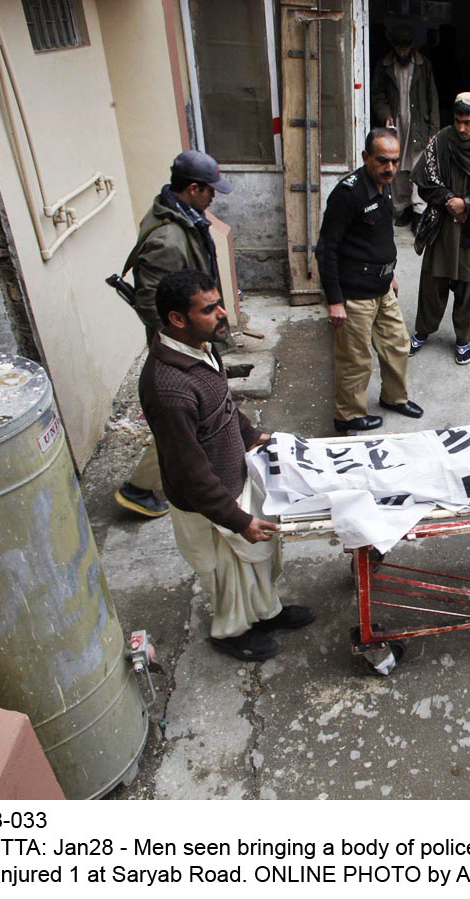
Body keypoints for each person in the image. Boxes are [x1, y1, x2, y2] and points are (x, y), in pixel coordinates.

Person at [139, 270, 315, 662]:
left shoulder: (201, 348)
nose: (222, 314)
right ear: (177, 320)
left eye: (220, 303)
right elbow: (187, 470)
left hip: (232, 477)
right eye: (209, 309)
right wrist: (236, 519)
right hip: (206, 502)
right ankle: (230, 632)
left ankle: (267, 614)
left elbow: (223, 404)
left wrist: (251, 436)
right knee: (226, 573)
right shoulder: (169, 389)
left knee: (259, 558)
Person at [115, 150, 234, 520]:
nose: (214, 197)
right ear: (193, 188)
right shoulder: (168, 237)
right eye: (210, 190)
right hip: (183, 346)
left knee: (193, 419)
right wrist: (187, 346)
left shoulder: (183, 216)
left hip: (192, 339)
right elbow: (154, 304)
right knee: (186, 424)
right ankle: (140, 487)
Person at [316, 128, 423, 433]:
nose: (390, 167)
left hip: (382, 286)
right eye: (382, 161)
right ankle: (347, 416)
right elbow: (327, 249)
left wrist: (389, 276)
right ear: (365, 158)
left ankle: (394, 398)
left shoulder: (385, 185)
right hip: (354, 294)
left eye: (394, 160)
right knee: (356, 359)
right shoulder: (348, 195)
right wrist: (335, 300)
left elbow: (379, 236)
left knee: (397, 345)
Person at [409, 92, 470, 366]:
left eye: (468, 122)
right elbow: (424, 182)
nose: (461, 128)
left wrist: (467, 204)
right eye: (457, 121)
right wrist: (449, 201)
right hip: (441, 226)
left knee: (468, 285)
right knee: (432, 281)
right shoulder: (441, 141)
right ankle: (423, 330)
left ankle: (463, 338)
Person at [371, 24, 440, 230]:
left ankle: (419, 210)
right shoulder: (384, 65)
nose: (403, 52)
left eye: (406, 48)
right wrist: (385, 116)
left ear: (412, 46)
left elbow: (432, 97)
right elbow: (377, 96)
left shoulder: (423, 65)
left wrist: (434, 129)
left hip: (419, 124)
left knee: (418, 167)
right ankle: (403, 208)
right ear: (394, 46)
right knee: (398, 167)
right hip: (396, 124)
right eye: (400, 48)